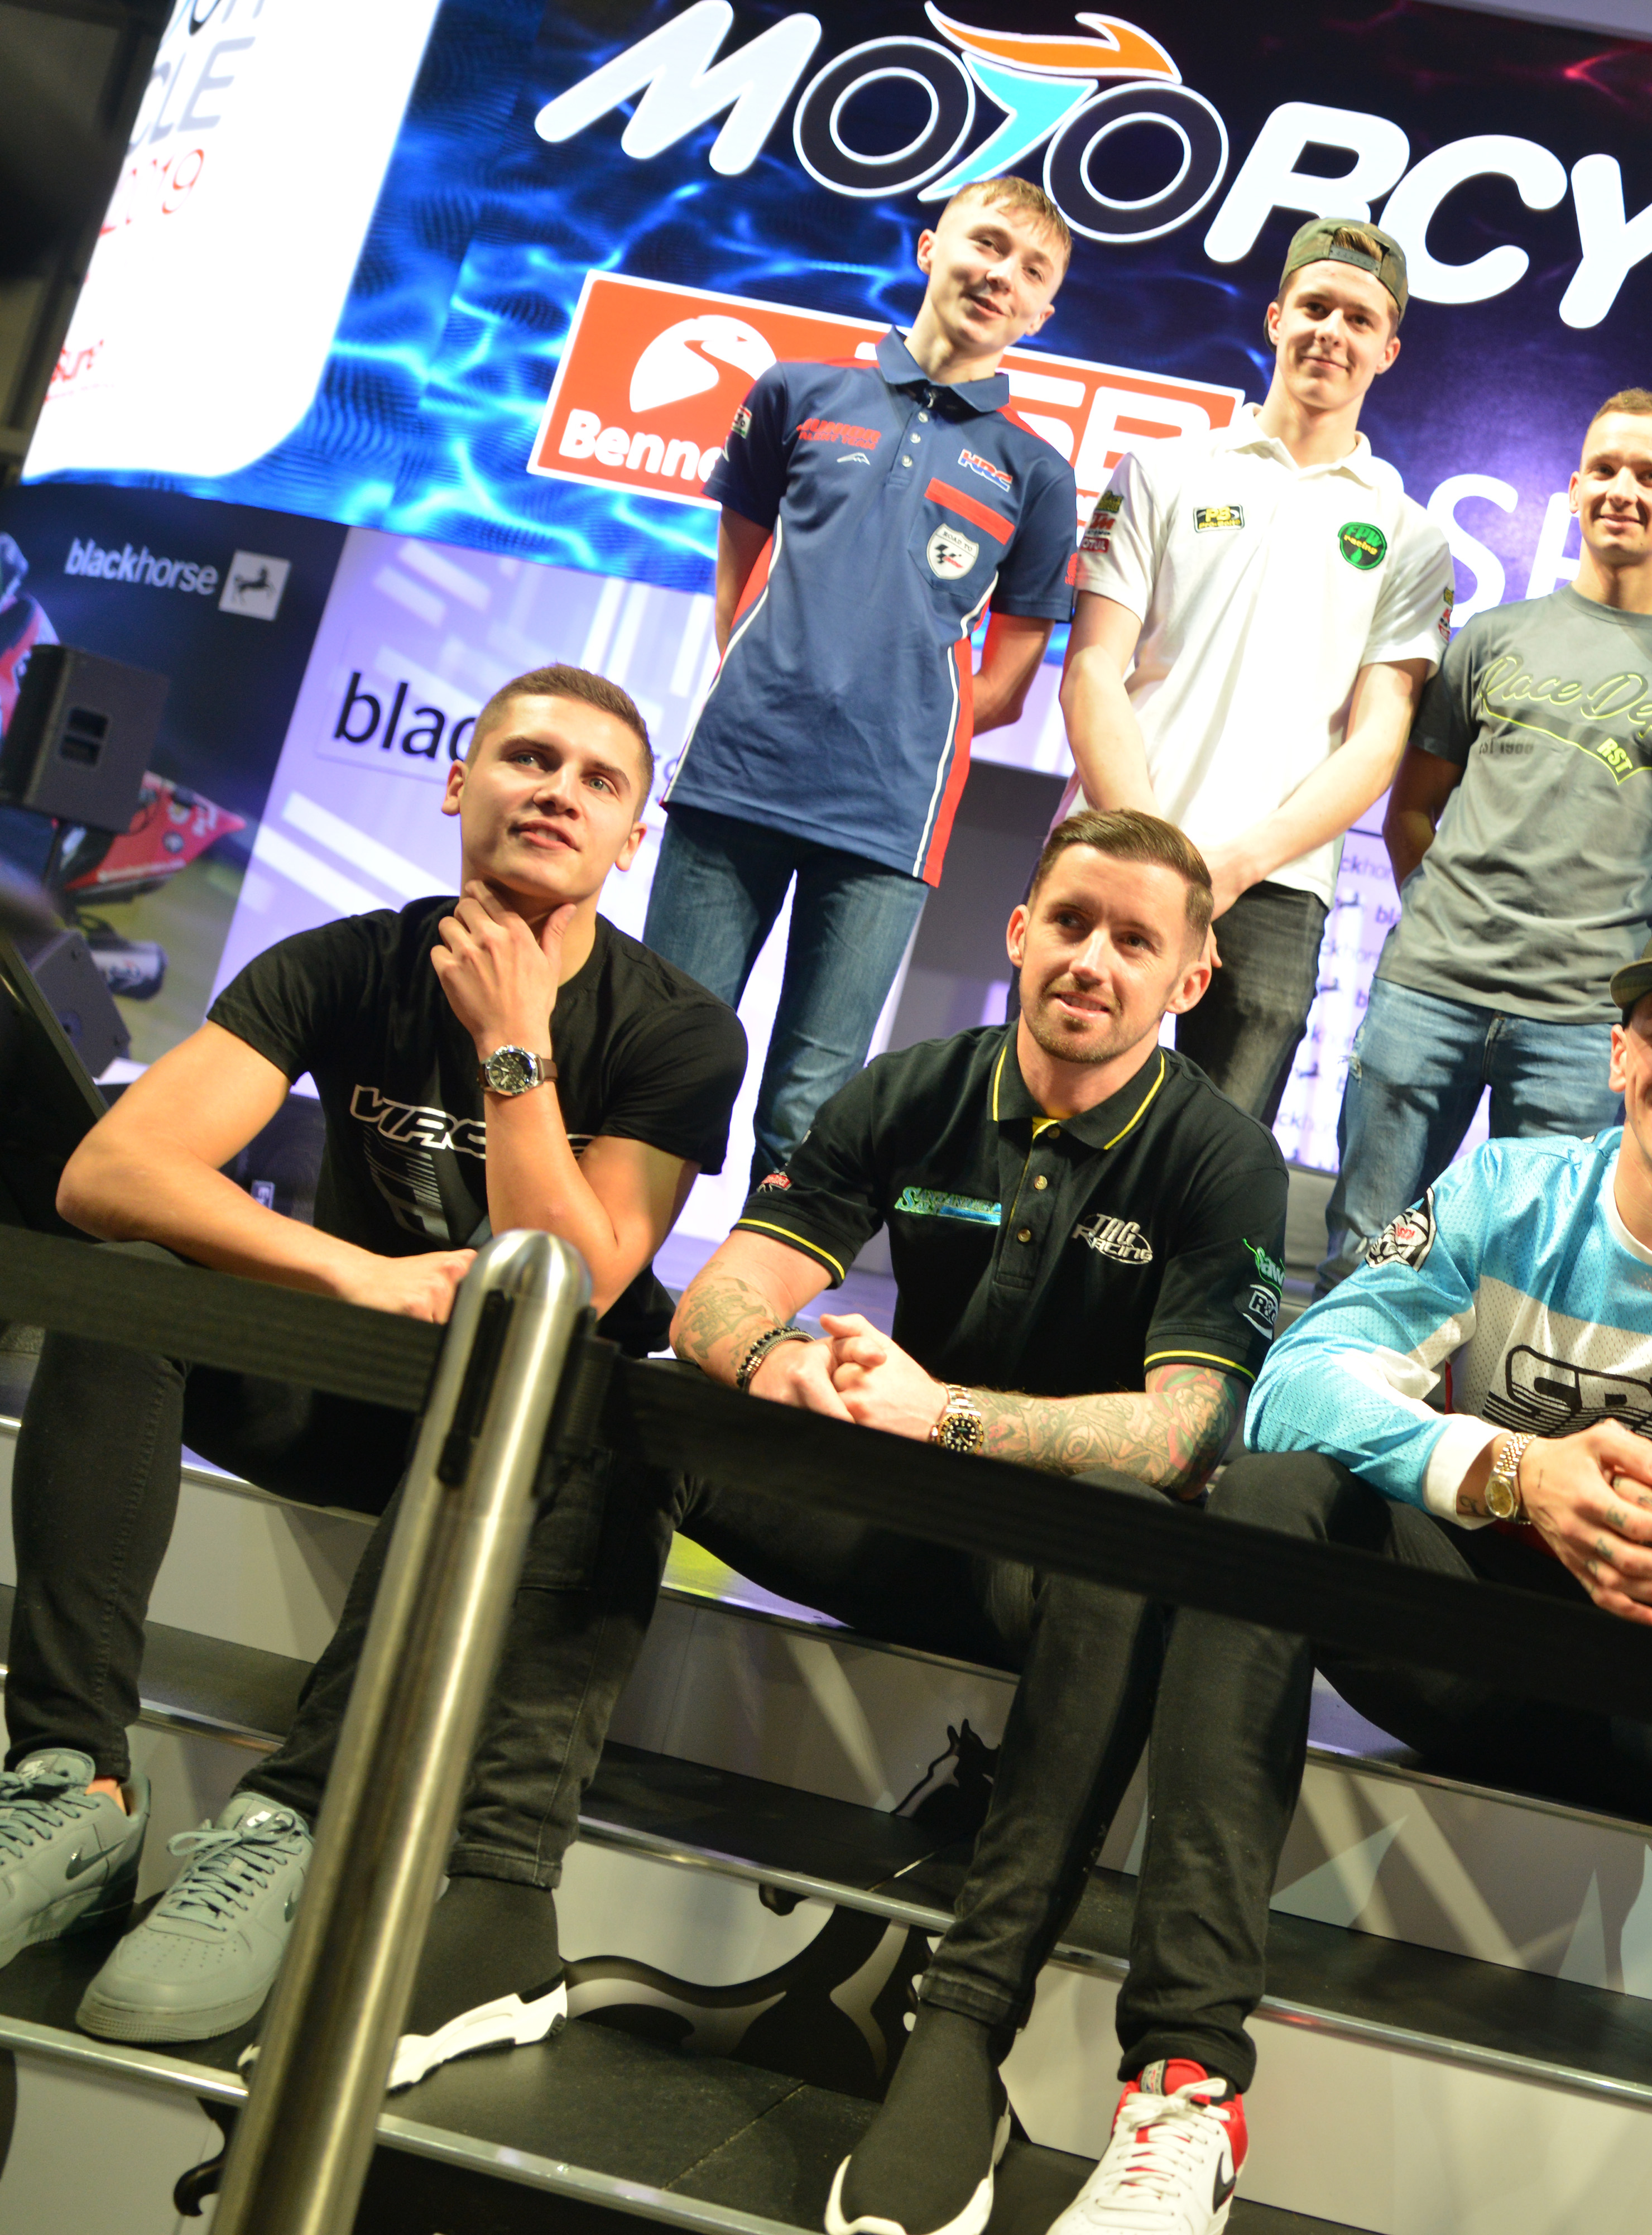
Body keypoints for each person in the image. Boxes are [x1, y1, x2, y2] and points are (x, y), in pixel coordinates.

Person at [358, 810, 1288, 2235]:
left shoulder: (1220, 1156)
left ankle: (964, 2027)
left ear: (1190, 979)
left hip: (1054, 1571)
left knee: (1127, 1534)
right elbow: (722, 1298)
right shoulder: (917, 1085)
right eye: (1069, 922)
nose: (1091, 961)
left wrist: (943, 1413)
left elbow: (1187, 1434)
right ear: (1018, 931)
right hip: (890, 1517)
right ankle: (498, 1897)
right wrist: (777, 1359)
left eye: (1132, 940)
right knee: (640, 1395)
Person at [1074, 909, 1652, 2235]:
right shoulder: (1506, 1191)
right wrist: (1512, 1470)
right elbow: (1295, 1383)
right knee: (1273, 1497)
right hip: (1474, 1662)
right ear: (1617, 1056)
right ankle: (1181, 2095)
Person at [0, 666, 745, 2044]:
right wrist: (355, 1271)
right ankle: (69, 1781)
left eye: (598, 781)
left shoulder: (679, 1028)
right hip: (347, 1386)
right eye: (528, 758)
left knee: (542, 1372)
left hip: (515, 1460)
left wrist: (512, 1041)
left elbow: (573, 1285)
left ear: (633, 838)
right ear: (460, 783)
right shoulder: (344, 961)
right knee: (132, 1282)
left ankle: (291, 1819)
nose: (557, 792)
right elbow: (110, 1173)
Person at [647, 176, 1083, 1182]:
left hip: (890, 819)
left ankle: (752, 1287)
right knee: (663, 1061)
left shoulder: (1039, 474)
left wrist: (901, 729)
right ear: (931, 249)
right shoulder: (795, 392)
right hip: (735, 777)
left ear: (1043, 311)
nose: (1002, 276)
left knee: (810, 1107)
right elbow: (737, 585)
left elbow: (1010, 682)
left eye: (1032, 271)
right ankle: (606, 1270)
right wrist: (778, 687)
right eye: (987, 244)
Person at [1317, 387, 1652, 1286]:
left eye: (1650, 476)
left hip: (1583, 1024)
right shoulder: (1491, 639)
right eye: (1605, 470)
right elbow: (1412, 809)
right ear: (1573, 488)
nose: (1622, 490)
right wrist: (1443, 915)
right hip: (1427, 994)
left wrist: (1629, 979)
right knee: (1365, 1256)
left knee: (1528, 1284)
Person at [1059, 216, 1450, 1131]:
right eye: (1315, 307)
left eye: (1359, 319)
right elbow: (1091, 669)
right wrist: (1158, 857)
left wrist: (1234, 867)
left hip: (1276, 887)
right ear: (1276, 319)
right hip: (1115, 846)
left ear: (1388, 351)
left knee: (1209, 1166)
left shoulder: (1412, 535)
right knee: (1049, 1116)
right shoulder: (1163, 469)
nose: (1331, 332)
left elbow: (1379, 740)